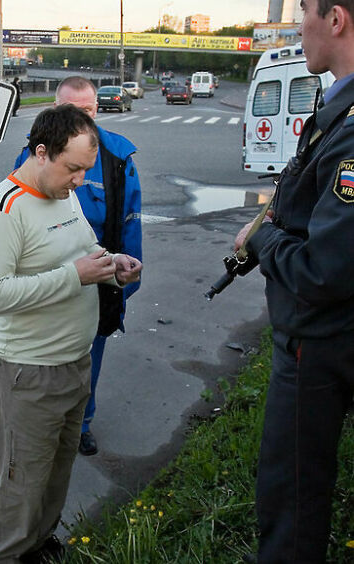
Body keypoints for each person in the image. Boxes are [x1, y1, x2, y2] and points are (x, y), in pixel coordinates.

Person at [0, 104, 142, 564]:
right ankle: (7, 555)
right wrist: (76, 276)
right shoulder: (3, 210)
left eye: (86, 169)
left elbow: (85, 248)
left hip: (74, 366)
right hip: (28, 376)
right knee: (20, 490)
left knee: (56, 478)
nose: (81, 181)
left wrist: (110, 266)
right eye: (74, 168)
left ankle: (40, 546)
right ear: (41, 152)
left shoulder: (64, 194)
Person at [233, 1, 354, 561]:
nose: (297, 26)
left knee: (292, 499)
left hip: (320, 340)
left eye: (304, 11)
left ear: (335, 20)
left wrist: (262, 240)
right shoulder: (337, 107)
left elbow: (324, 269)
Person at [14, 76, 142, 456]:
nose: (77, 118)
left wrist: (124, 281)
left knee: (88, 358)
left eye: (85, 111)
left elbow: (129, 220)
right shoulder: (33, 154)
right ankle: (42, 426)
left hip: (97, 278)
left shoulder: (117, 156)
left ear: (96, 110)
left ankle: (80, 424)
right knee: (43, 360)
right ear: (54, 110)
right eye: (68, 110)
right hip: (48, 277)